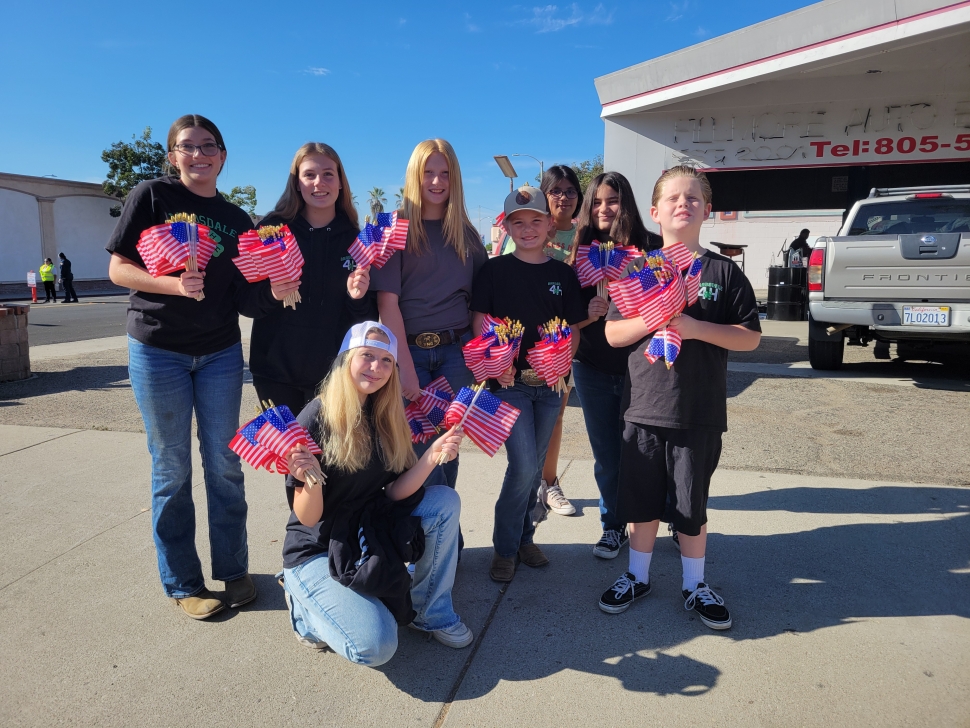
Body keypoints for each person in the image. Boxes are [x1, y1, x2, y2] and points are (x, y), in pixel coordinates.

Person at [106, 114, 299, 620]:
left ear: (223, 155)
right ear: (173, 156)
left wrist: (276, 292)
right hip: (158, 348)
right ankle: (183, 582)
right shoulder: (151, 196)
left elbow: (243, 296)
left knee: (224, 464)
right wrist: (172, 284)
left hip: (218, 352)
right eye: (187, 147)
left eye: (208, 146)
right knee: (171, 468)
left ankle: (233, 570)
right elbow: (117, 268)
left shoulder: (237, 219)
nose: (198, 155)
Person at [598, 166, 761, 630]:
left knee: (691, 505)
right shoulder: (637, 270)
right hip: (644, 407)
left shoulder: (723, 272)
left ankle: (694, 584)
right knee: (641, 502)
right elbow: (612, 334)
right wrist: (654, 317)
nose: (683, 204)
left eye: (693, 198)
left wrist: (693, 327)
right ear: (655, 211)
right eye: (672, 198)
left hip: (698, 410)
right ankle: (638, 575)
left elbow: (749, 337)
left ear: (707, 211)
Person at [281, 322, 472, 665]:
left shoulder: (386, 412)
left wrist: (432, 456)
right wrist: (309, 478)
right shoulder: (315, 417)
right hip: (318, 547)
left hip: (364, 530)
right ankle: (303, 607)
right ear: (346, 359)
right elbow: (308, 518)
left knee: (444, 501)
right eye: (367, 355)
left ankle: (431, 610)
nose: (377, 367)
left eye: (387, 361)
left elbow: (397, 492)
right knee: (377, 645)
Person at [469, 185, 587, 582]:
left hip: (550, 386)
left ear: (550, 224)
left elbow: (571, 328)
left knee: (535, 468)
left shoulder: (561, 273)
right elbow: (481, 322)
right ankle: (504, 548)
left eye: (536, 220)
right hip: (511, 384)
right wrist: (492, 364)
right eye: (518, 223)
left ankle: (524, 538)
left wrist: (564, 365)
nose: (528, 229)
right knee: (521, 466)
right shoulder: (493, 270)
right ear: (506, 227)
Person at [372, 139, 488, 491]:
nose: (436, 181)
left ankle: (444, 534)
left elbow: (482, 303)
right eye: (428, 173)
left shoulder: (467, 235)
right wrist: (405, 369)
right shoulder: (393, 229)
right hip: (410, 355)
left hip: (456, 356)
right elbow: (387, 304)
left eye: (445, 173)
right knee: (416, 451)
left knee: (448, 448)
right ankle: (417, 537)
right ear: (414, 176)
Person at [249, 143, 376, 415]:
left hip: (335, 375)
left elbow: (365, 319)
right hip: (275, 373)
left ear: (341, 182)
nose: (319, 182)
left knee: (330, 458)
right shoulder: (271, 231)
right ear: (297, 183)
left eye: (329, 174)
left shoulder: (357, 239)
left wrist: (358, 298)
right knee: (288, 456)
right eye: (309, 175)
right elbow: (245, 303)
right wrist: (272, 294)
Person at [566, 172, 655, 560]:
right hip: (592, 367)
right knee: (607, 454)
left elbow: (666, 300)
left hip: (642, 367)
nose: (605, 209)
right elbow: (563, 315)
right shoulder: (579, 251)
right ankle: (612, 525)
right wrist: (587, 314)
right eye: (598, 201)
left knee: (646, 452)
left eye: (613, 200)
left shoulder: (649, 247)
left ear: (627, 203)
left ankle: (651, 520)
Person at [533, 166, 584, 519]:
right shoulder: (529, 229)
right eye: (555, 191)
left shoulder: (588, 239)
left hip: (565, 343)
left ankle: (549, 482)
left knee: (555, 416)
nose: (563, 197)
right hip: (519, 342)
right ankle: (524, 481)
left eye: (569, 191)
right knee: (520, 418)